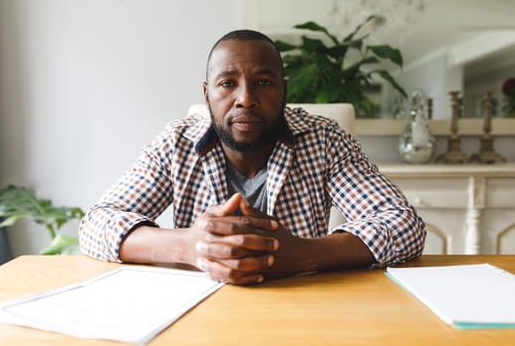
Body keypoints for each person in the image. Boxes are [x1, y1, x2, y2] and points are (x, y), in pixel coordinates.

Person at [79, 29, 425, 285]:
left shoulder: (324, 139)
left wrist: (300, 254)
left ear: (284, 90)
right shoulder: (175, 143)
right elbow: (96, 225)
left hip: (305, 308)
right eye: (228, 83)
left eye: (263, 82)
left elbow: (404, 225)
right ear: (207, 93)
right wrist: (189, 246)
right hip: (197, 313)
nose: (245, 98)